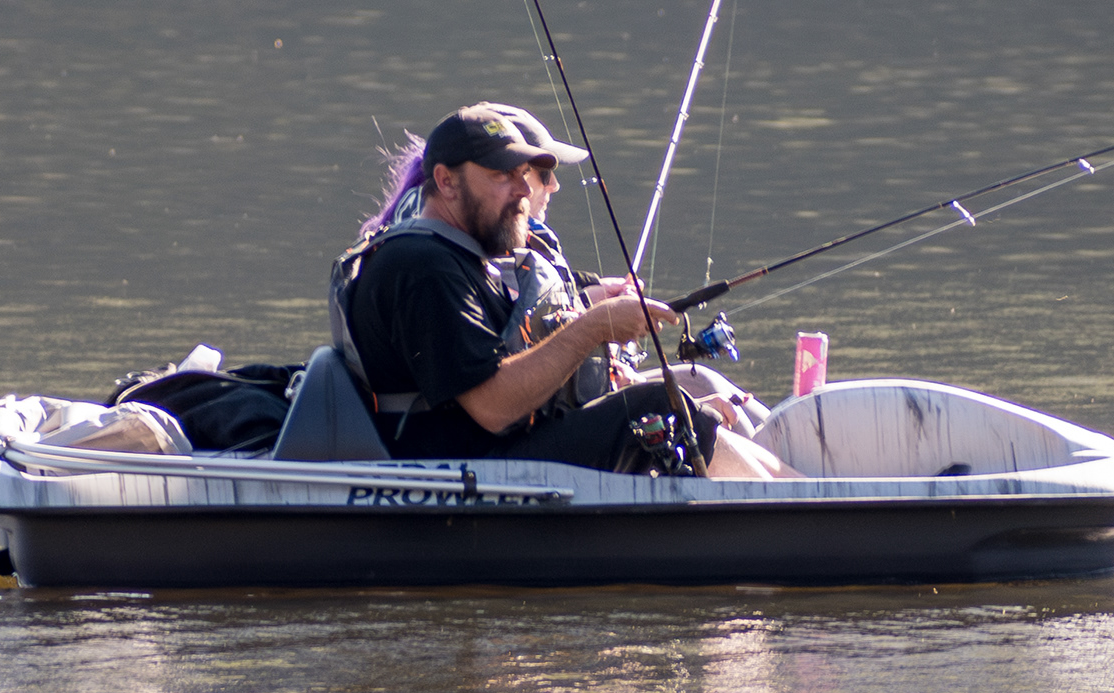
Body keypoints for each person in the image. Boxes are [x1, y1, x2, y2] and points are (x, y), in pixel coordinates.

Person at [332, 101, 787, 477]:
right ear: (447, 182)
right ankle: (795, 510)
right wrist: (593, 329)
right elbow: (492, 406)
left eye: (520, 174)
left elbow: (505, 330)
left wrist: (584, 305)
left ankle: (800, 487)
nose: (521, 192)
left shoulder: (462, 252)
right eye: (500, 176)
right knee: (650, 407)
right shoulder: (422, 268)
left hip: (502, 446)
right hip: (467, 470)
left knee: (682, 387)